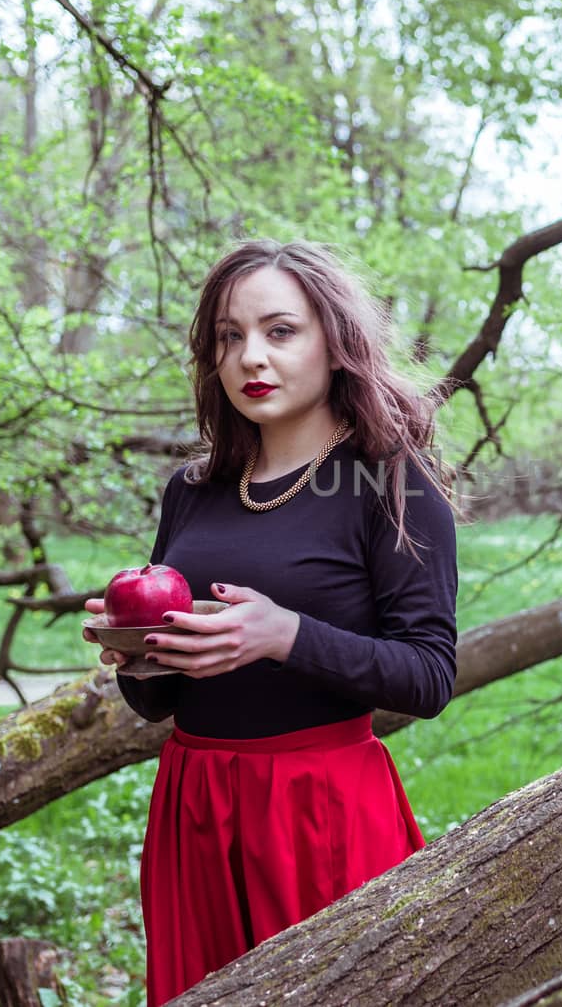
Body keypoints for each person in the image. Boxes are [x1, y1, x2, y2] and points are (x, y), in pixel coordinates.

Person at [82, 239, 459, 1005]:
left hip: (319, 810)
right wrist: (142, 659)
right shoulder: (192, 489)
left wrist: (284, 635)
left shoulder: (391, 481)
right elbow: (165, 700)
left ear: (335, 340)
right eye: (230, 335)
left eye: (279, 331)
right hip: (197, 807)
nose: (251, 355)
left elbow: (428, 674)